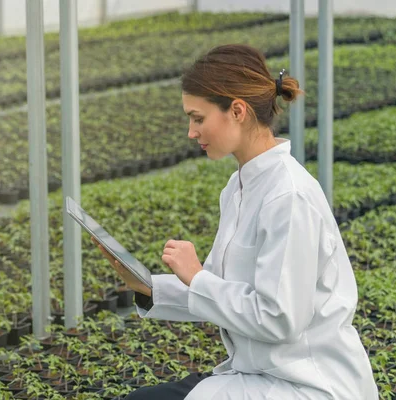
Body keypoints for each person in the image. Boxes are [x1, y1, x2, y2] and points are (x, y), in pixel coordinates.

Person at [91, 44, 379, 399]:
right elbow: (220, 291)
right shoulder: (238, 188)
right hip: (263, 373)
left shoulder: (288, 197)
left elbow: (279, 319)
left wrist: (196, 276)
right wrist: (150, 288)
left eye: (198, 118)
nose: (191, 132)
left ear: (237, 111)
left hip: (311, 384)